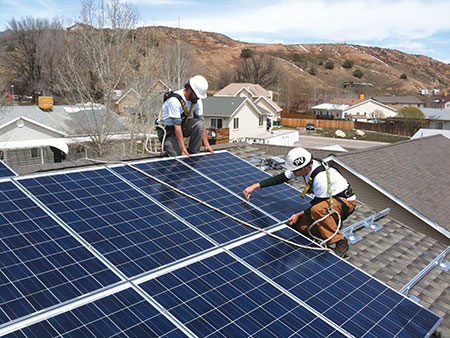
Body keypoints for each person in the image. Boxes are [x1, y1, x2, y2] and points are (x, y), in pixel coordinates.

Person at [243, 147, 356, 257]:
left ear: (305, 168)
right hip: (328, 201)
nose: (292, 172)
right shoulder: (301, 168)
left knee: (317, 210)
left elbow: (318, 203)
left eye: (294, 170)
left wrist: (298, 214)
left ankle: (341, 242)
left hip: (344, 203)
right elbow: (280, 178)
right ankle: (329, 227)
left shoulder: (321, 177)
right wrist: (255, 186)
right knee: (300, 226)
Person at [156, 75, 214, 157]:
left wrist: (207, 144)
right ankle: (181, 152)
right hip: (167, 130)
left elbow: (202, 123)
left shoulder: (197, 101)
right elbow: (177, 126)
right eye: (196, 95)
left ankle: (194, 154)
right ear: (190, 90)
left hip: (182, 126)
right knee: (178, 156)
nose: (197, 98)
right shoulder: (174, 101)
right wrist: (183, 148)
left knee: (199, 124)